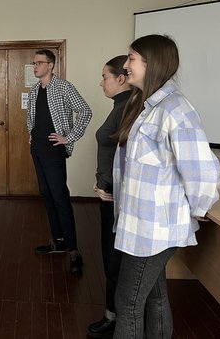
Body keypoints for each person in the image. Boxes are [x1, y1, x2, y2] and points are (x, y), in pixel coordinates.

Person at [111, 34, 220, 338]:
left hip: (154, 228)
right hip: (142, 225)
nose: (126, 64)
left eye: (132, 58)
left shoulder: (176, 110)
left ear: (152, 63)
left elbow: (200, 168)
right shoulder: (147, 106)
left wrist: (200, 207)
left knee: (127, 303)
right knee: (154, 298)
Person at [26, 49, 92, 274]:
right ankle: (58, 241)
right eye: (34, 63)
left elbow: (85, 111)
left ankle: (73, 250)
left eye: (39, 63)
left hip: (54, 151)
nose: (35, 67)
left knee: (60, 198)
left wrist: (69, 137)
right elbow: (30, 116)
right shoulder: (34, 90)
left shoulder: (64, 87)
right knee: (47, 195)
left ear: (51, 65)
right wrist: (31, 133)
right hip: (37, 149)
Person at [86, 55, 132, 338]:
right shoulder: (121, 106)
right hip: (109, 192)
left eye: (105, 77)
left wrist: (111, 185)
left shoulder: (127, 108)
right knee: (110, 256)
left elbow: (128, 156)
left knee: (114, 259)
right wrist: (101, 179)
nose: (101, 82)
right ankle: (113, 314)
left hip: (115, 198)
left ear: (121, 78)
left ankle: (115, 318)